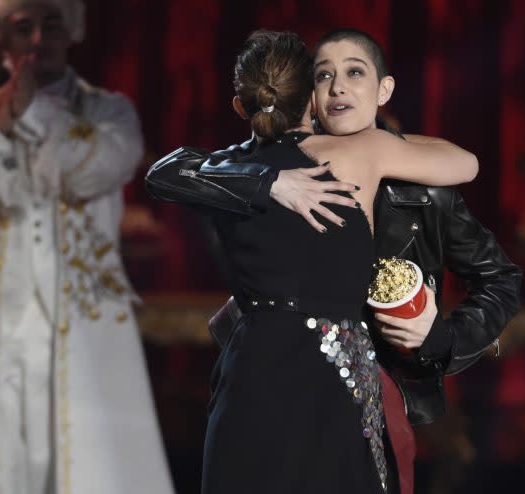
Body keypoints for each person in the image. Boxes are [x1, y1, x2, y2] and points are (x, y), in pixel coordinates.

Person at [146, 29, 478, 494]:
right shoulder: (361, 150)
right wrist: (368, 136)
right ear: (313, 98)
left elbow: (163, 173)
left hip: (252, 371)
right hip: (330, 377)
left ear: (242, 106)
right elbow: (465, 164)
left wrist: (266, 182)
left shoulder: (226, 169)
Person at [0, 1, 174, 493]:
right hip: (6, 316)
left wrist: (29, 109)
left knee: (92, 456)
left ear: (70, 32)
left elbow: (85, 171)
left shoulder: (110, 111)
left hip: (85, 313)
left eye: (49, 25)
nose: (37, 41)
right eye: (21, 28)